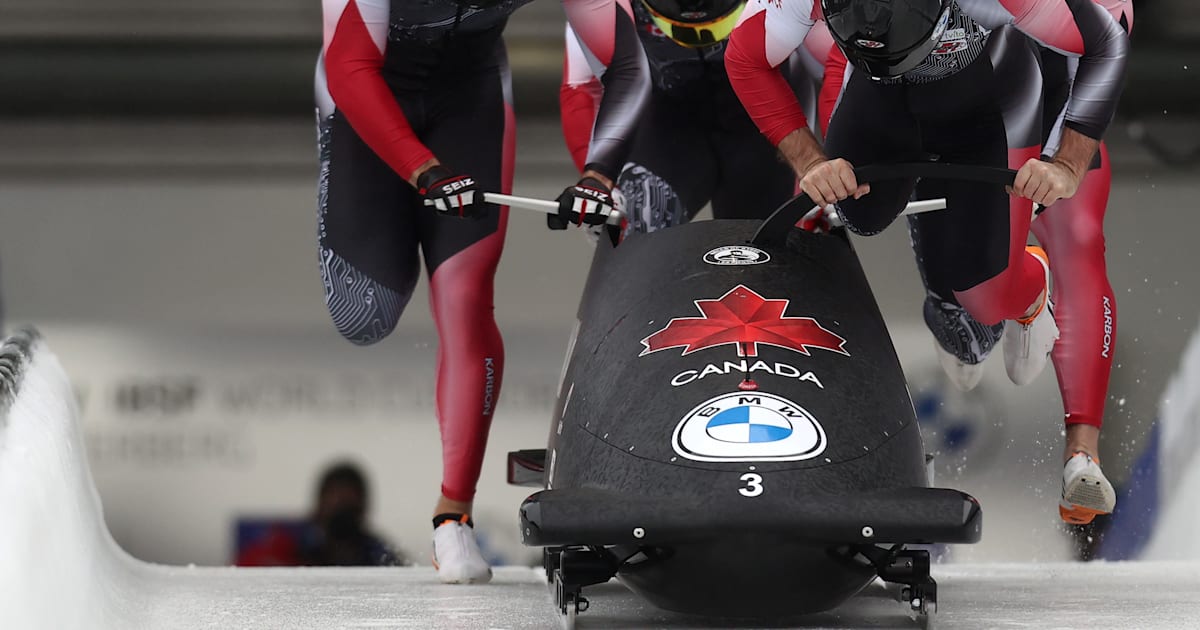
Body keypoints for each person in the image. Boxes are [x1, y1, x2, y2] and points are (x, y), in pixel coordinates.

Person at [726, 0, 1127, 519]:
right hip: (881, 92)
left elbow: (1105, 42)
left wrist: (1067, 161)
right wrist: (812, 161)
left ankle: (1026, 292)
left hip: (993, 101)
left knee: (989, 292)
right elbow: (744, 57)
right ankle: (953, 270)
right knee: (857, 210)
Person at [316, 0, 649, 583]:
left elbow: (629, 65)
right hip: (362, 84)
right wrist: (422, 169)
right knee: (362, 313)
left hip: (470, 94)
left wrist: (599, 173)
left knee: (465, 299)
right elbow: (350, 66)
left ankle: (453, 516)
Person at [560, 0, 827, 233]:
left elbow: (834, 71)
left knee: (773, 249)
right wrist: (600, 185)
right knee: (643, 219)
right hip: (667, 133)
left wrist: (826, 168)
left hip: (762, 137)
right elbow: (581, 90)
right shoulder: (600, 8)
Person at [237, 461, 401, 567]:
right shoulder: (286, 543)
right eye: (337, 502)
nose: (343, 512)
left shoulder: (378, 553)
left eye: (350, 506)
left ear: (364, 508)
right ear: (319, 504)